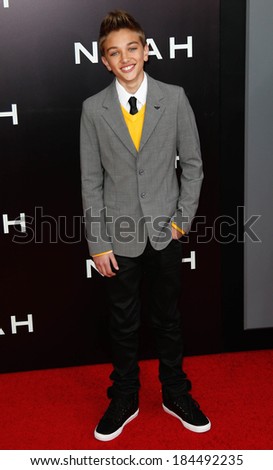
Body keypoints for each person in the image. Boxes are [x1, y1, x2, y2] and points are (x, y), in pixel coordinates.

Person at [80, 10, 211, 441]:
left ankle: (175, 392)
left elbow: (192, 166)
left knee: (168, 319)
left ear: (146, 50)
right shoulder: (93, 110)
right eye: (114, 53)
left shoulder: (174, 98)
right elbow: (91, 181)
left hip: (165, 234)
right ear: (105, 61)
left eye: (132, 48)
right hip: (117, 239)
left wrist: (180, 223)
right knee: (122, 322)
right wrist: (98, 243)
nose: (125, 58)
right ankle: (125, 397)